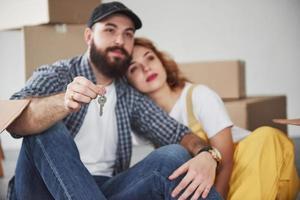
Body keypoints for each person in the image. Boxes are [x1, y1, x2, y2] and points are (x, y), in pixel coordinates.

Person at [6, 2, 223, 200]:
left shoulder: (128, 95)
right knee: (47, 127)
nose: (120, 40)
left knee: (173, 155)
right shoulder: (57, 74)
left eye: (128, 34)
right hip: (40, 189)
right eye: (110, 30)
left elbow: (179, 134)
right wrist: (63, 102)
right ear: (89, 36)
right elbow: (14, 120)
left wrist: (207, 155)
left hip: (101, 189)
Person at [126, 37, 300, 199]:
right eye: (134, 68)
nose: (146, 68)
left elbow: (226, 160)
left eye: (150, 58)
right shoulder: (143, 122)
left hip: (259, 168)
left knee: (266, 136)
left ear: (161, 61)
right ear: (127, 83)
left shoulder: (198, 95)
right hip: (207, 185)